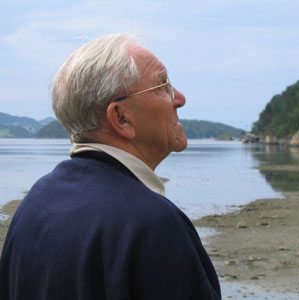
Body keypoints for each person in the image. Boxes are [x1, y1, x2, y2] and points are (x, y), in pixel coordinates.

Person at [0, 33, 221, 300]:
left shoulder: (34, 204)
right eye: (163, 85)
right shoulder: (151, 223)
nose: (180, 98)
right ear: (121, 118)